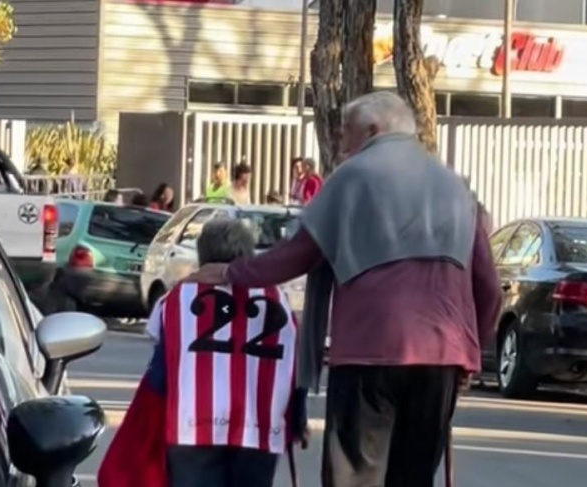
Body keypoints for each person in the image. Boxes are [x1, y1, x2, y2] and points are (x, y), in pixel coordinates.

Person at [186, 91, 502, 487]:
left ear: (373, 130)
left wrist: (230, 273)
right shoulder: (455, 187)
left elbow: (297, 255)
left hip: (370, 351)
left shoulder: (352, 176)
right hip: (441, 357)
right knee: (414, 476)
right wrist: (469, 354)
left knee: (355, 476)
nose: (339, 141)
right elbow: (489, 288)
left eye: (344, 131)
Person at [141, 218, 308, 487]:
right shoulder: (277, 299)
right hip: (260, 425)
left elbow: (160, 374)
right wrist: (298, 418)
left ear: (203, 252)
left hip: (193, 425)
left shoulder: (176, 299)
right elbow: (294, 366)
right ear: (248, 253)